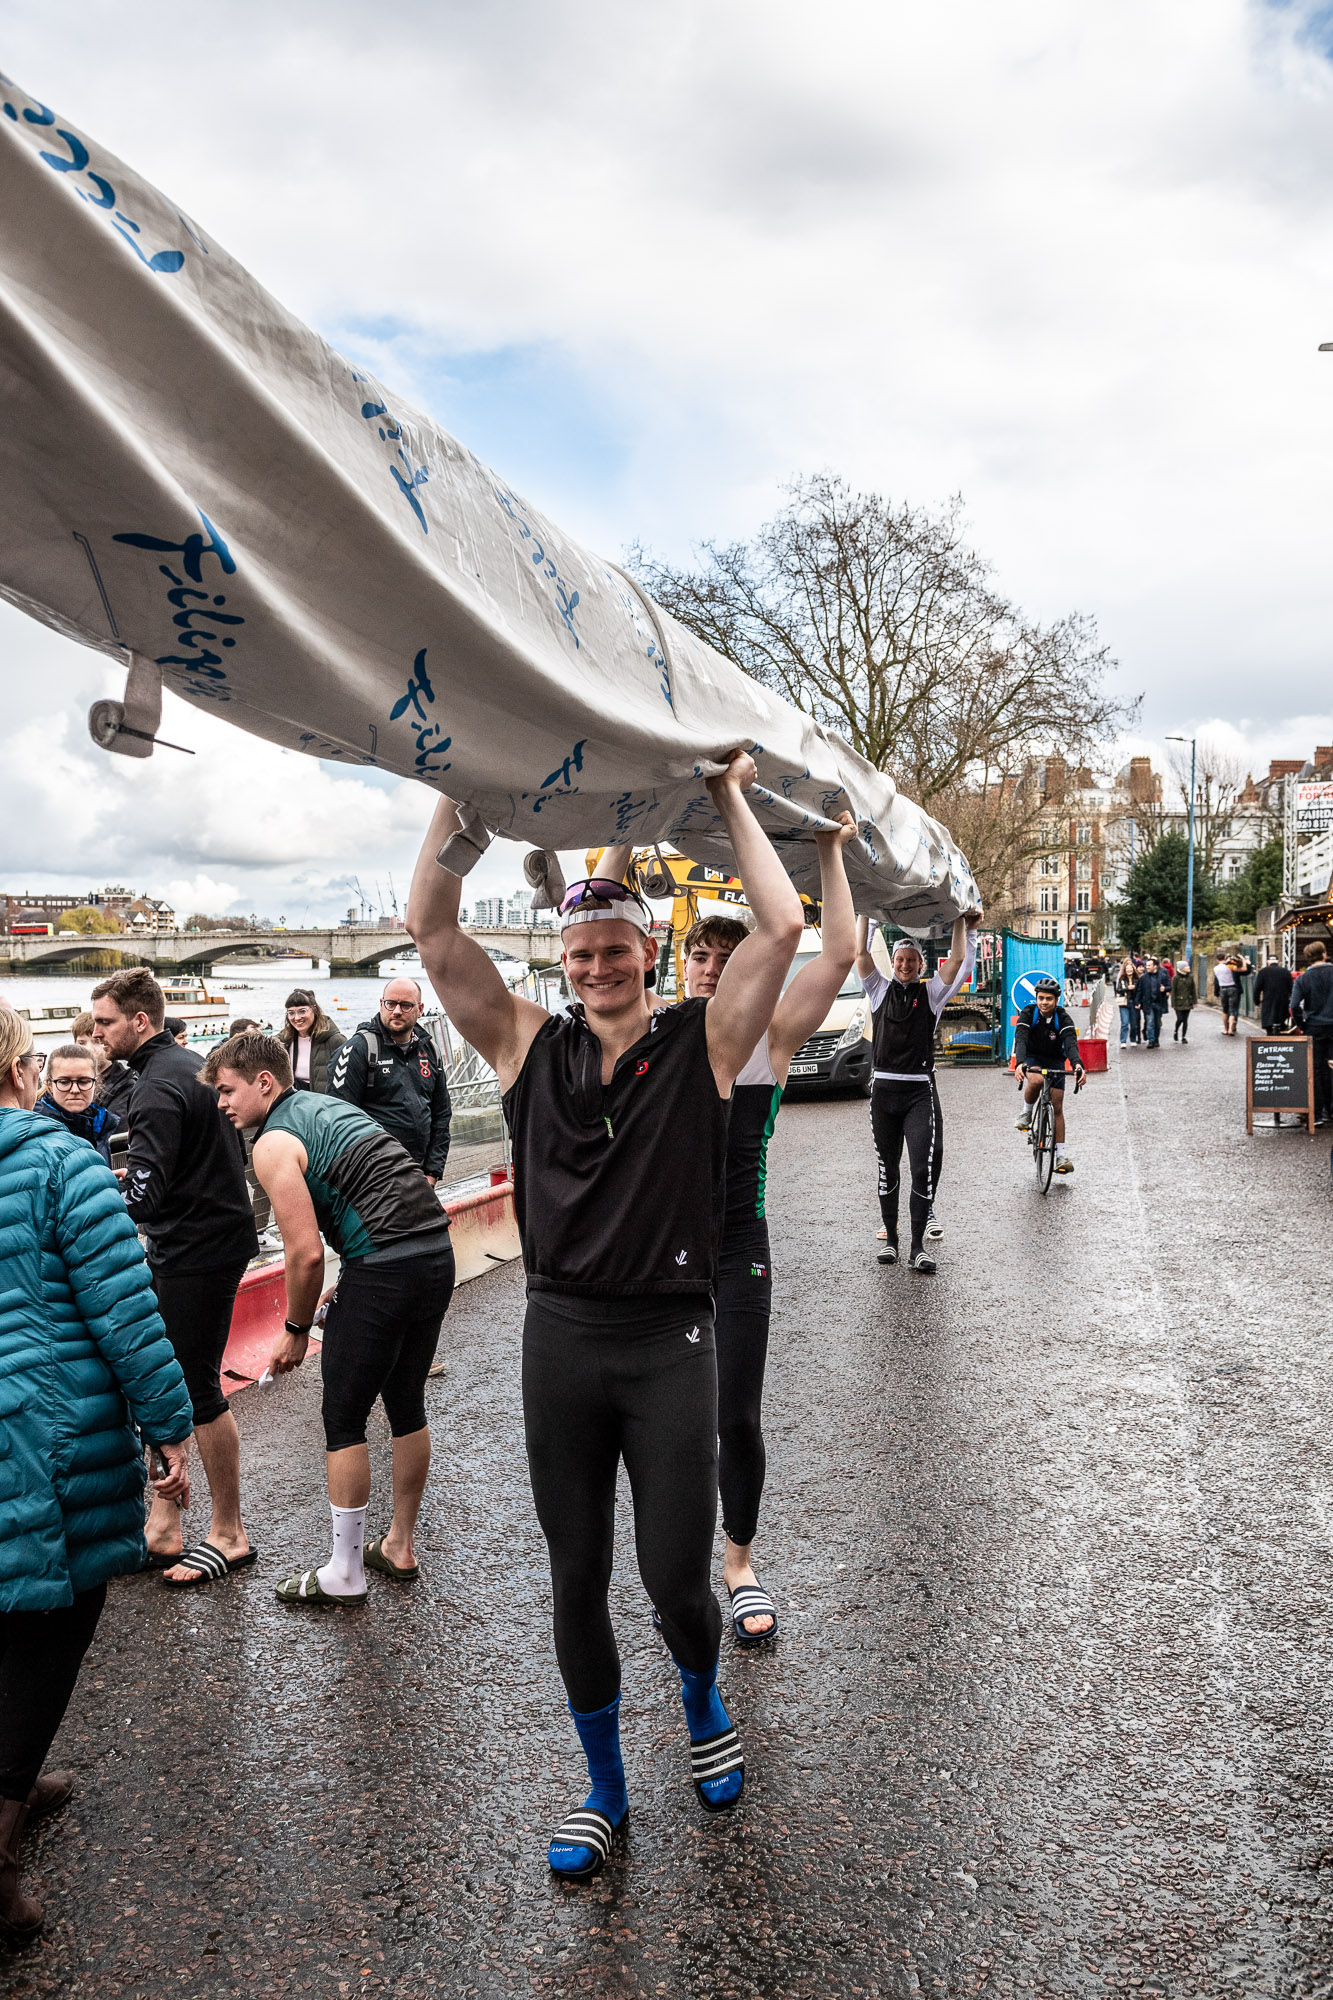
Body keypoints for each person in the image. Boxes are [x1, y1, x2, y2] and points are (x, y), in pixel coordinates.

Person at [406, 751, 804, 1882]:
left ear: (647, 954)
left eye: (614, 951)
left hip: (670, 1339)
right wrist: (461, 795)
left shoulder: (704, 1044)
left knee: (676, 1579)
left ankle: (697, 1687)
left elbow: (778, 931)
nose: (594, 969)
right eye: (578, 954)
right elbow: (431, 928)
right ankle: (604, 1785)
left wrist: (726, 791)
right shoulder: (529, 1044)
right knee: (573, 1571)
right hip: (563, 1339)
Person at [601, 812, 858, 1647]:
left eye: (727, 959)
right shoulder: (654, 1031)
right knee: (659, 1430)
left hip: (736, 1248)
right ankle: (672, 1570)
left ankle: (738, 1565)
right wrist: (622, 830)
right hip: (657, 1257)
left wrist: (826, 851)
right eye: (699, 959)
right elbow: (605, 917)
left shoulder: (771, 1038)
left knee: (734, 1419)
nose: (712, 970)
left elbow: (838, 955)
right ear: (673, 964)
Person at [0, 1006, 192, 1942]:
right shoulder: (57, 1161)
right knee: (52, 1616)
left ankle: (17, 1777)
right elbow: (124, 1308)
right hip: (43, 1436)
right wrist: (167, 1427)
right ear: (24, 1068)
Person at [206, 1034, 455, 1607]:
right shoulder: (330, 1107)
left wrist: (294, 1332)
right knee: (406, 1399)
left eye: (226, 1090)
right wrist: (360, 1271)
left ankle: (345, 1573)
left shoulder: (271, 1143)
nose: (222, 1104)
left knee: (343, 1414)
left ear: (263, 1082)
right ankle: (398, 1545)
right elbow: (377, 1195)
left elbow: (305, 1253)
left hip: (386, 1267)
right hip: (433, 1253)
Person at [90, 969, 259, 1587]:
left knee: (193, 1387)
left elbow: (146, 1190)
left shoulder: (158, 1087)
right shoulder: (189, 1064)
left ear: (140, 1020)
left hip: (196, 1246)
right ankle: (164, 1526)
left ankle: (228, 1532)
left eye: (106, 1022)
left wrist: (87, 1201)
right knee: (174, 1381)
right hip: (212, 1235)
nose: (97, 1032)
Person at [855, 910, 981, 1272]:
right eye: (900, 960)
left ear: (921, 964)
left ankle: (916, 1247)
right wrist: (868, 914)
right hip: (883, 1095)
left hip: (918, 1095)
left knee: (922, 1169)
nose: (905, 965)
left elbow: (957, 960)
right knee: (887, 1170)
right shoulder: (878, 990)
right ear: (892, 963)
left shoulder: (932, 995)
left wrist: (961, 920)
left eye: (911, 960)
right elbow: (860, 955)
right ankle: (891, 1243)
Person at [330, 977, 450, 1183]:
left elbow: (441, 1116)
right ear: (381, 1004)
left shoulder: (429, 1050)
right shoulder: (358, 1050)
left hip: (418, 1174)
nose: (396, 1011)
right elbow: (339, 1121)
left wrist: (432, 1171)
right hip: (373, 1177)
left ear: (420, 1009)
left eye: (405, 1005)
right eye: (390, 1003)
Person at [1013, 977, 1085, 1172]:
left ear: (1056, 1000)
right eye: (1041, 998)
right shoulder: (1028, 1013)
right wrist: (1020, 1063)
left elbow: (1070, 1042)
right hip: (1033, 1056)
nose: (1044, 1002)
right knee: (1036, 1080)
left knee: (1057, 1106)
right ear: (1036, 998)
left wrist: (1078, 1064)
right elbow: (1020, 1039)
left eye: (1049, 999)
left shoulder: (1063, 1017)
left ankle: (1060, 1156)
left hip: (1055, 1059)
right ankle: (1026, 1113)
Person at [34, 1043, 122, 1164]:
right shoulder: (36, 1129)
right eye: (64, 1082)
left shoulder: (100, 1123)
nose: (75, 1090)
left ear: (95, 1083)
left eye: (84, 1082)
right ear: (49, 1084)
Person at [1292, 942, 1333, 1128]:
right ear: (1324, 954)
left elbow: (1294, 1006)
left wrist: (1303, 1025)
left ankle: (1316, 1115)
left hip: (1314, 1028)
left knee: (1315, 1070)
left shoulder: (1303, 979)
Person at [278, 988, 346, 1093]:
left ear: (314, 1009)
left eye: (302, 1011)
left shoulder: (335, 1041)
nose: (296, 1018)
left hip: (323, 1104)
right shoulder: (284, 1040)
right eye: (291, 1013)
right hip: (293, 1102)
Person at [74, 1009, 136, 1118]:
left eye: (96, 1042)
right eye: (81, 1043)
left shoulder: (126, 1085)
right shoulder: (69, 1081)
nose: (88, 1049)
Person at [1253, 954, 1294, 1036]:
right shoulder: (1285, 972)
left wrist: (1257, 1002)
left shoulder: (1263, 972)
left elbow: (1257, 989)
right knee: (1282, 1027)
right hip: (1283, 1003)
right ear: (1278, 962)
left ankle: (1271, 1044)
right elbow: (1292, 989)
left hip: (1268, 1003)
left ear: (1267, 962)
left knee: (1269, 1029)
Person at [1137, 956, 1169, 1049]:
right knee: (1150, 1022)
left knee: (1157, 1023)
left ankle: (1156, 1040)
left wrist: (1165, 989)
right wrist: (1137, 1002)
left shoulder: (1162, 976)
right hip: (1148, 1003)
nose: (1147, 967)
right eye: (1146, 965)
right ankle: (1151, 1041)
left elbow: (1169, 986)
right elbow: (1139, 990)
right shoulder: (1144, 978)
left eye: (1149, 965)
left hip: (1159, 1002)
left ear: (1155, 966)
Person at [1115, 955, 1140, 1048]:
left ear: (1133, 969)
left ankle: (1133, 1039)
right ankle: (1123, 1041)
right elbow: (1118, 990)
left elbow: (1140, 991)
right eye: (1127, 969)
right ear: (1125, 970)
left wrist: (1135, 989)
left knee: (1134, 1023)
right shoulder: (1122, 979)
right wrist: (1127, 988)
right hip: (1124, 1003)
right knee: (1125, 1022)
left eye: (1131, 969)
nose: (1129, 970)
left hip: (1133, 1002)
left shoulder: (1137, 979)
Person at [1170, 960, 1198, 1043]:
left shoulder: (1190, 977)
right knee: (1180, 1019)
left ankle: (1183, 1037)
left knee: (1185, 1020)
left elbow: (1193, 990)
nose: (1188, 967)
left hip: (1188, 1001)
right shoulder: (1175, 978)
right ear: (1182, 968)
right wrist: (1173, 1003)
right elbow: (1173, 991)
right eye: (1186, 966)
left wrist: (1194, 1001)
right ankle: (1176, 1031)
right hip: (1179, 1002)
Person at [1214, 953, 1241, 1036]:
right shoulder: (1229, 967)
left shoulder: (1215, 968)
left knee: (1225, 1011)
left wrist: (1216, 993)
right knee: (1232, 1010)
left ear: (1217, 959)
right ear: (1225, 958)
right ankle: (1230, 1029)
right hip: (1233, 989)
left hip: (1223, 989)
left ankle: (1225, 1029)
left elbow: (1216, 981)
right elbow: (1239, 968)